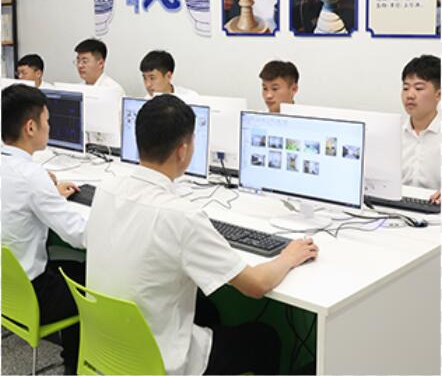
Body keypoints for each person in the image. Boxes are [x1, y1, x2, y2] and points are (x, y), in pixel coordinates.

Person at [86, 94, 318, 375]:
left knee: (206, 310)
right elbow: (256, 285)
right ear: (182, 150)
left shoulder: (107, 188)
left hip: (108, 348)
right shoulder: (181, 215)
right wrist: (288, 256)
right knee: (264, 338)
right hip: (158, 362)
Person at [1, 84, 88, 374]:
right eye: (47, 121)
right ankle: (74, 366)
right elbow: (78, 235)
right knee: (89, 281)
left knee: (74, 271)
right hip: (33, 294)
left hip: (8, 289)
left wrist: (49, 195)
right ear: (30, 127)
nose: (49, 127)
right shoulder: (31, 176)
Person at [401, 55, 441, 204]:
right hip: (396, 210)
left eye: (419, 88)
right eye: (405, 88)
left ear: (438, 95)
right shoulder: (394, 134)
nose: (410, 95)